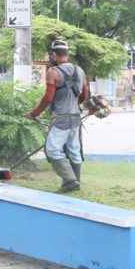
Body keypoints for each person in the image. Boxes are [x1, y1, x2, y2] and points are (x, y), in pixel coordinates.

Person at [26, 40, 88, 193]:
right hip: (75, 117)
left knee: (52, 150)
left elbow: (48, 98)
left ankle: (70, 180)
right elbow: (85, 94)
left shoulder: (53, 72)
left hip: (60, 118)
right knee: (74, 149)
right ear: (66, 54)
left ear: (54, 54)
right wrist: (74, 105)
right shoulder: (80, 71)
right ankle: (75, 182)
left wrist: (34, 113)